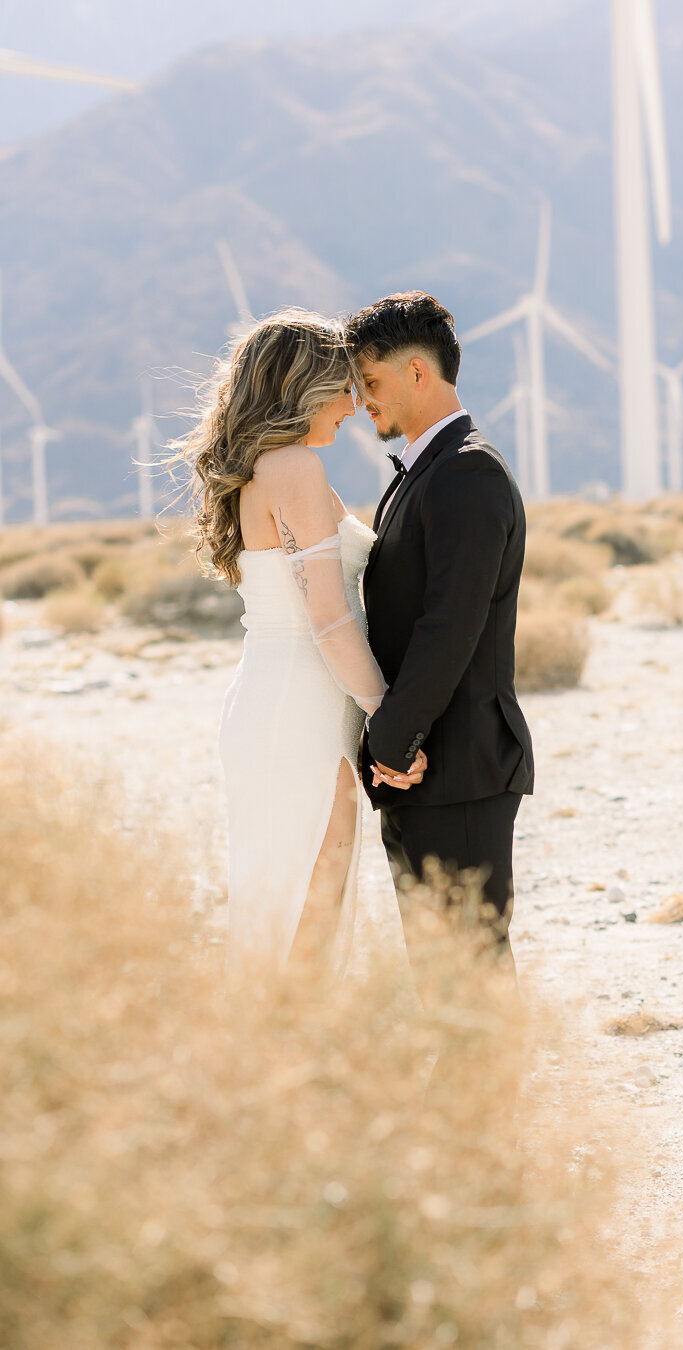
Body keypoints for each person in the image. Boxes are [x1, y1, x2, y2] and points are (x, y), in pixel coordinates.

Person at [172, 309, 426, 974]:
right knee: (308, 901)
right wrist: (390, 715)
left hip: (290, 696)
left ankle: (289, 1062)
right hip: (299, 702)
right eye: (344, 386)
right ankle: (291, 1062)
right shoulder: (293, 467)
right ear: (305, 387)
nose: (356, 403)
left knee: (292, 899)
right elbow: (330, 619)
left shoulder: (270, 466)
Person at [346, 291, 534, 988]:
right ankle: (465, 1099)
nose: (362, 400)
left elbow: (448, 626)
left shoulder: (466, 472)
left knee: (468, 966)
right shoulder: (428, 470)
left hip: (455, 765)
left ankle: (491, 1099)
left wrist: (391, 743)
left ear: (418, 373)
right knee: (442, 969)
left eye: (371, 381)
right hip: (428, 765)